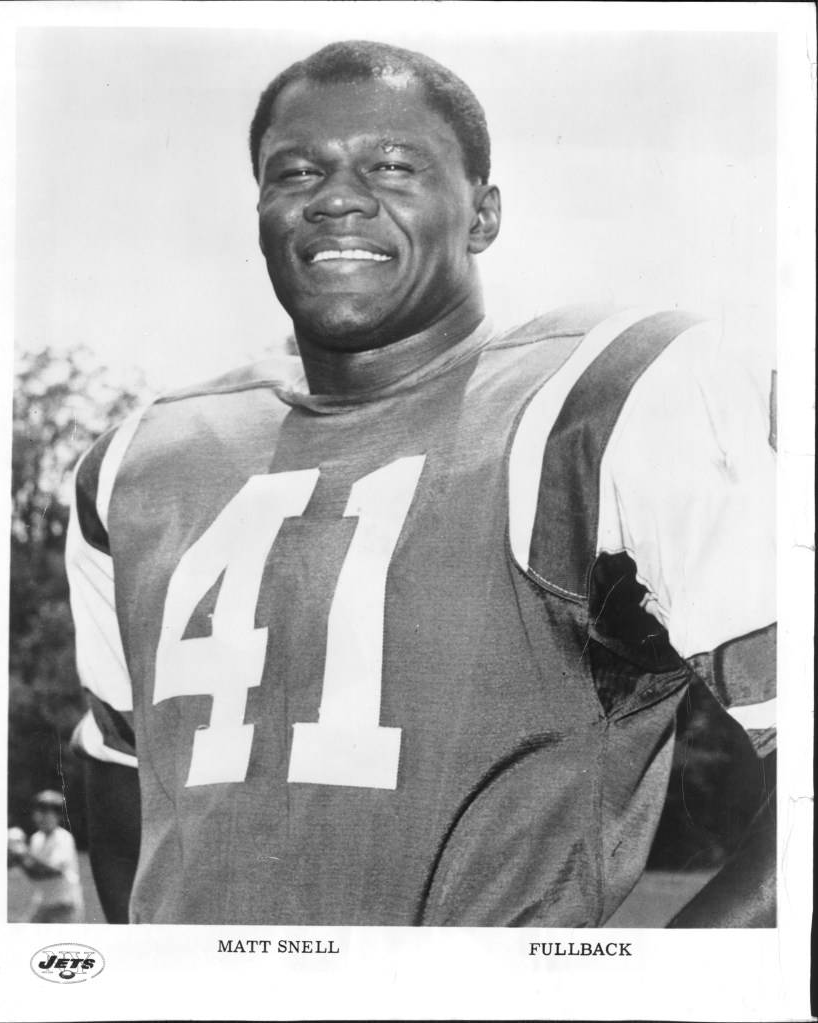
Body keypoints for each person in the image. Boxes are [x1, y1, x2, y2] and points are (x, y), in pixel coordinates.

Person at [66, 40, 776, 926]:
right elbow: (115, 762)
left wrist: (652, 994)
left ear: (482, 216)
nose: (336, 197)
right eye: (295, 172)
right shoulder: (141, 456)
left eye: (392, 165)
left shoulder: (607, 394)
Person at [7, 790, 84, 923]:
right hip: (44, 902)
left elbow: (52, 871)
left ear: (57, 816)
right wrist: (14, 855)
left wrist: (23, 853)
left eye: (46, 812)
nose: (41, 816)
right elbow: (34, 871)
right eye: (38, 811)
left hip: (65, 906)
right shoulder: (36, 838)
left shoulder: (63, 838)